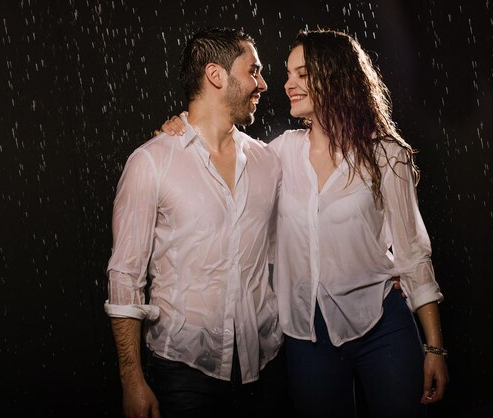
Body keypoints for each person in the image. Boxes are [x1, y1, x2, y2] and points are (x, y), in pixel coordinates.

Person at [161, 28, 449, 418]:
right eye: (287, 74)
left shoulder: (387, 155)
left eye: (301, 74)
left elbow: (414, 252)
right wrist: (179, 129)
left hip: (381, 324)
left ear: (334, 76)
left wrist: (433, 347)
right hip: (305, 336)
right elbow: (219, 145)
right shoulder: (278, 154)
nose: (286, 85)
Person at [104, 27, 289, 418]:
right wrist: (132, 380)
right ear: (215, 75)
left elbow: (293, 242)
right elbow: (125, 278)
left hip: (267, 366)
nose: (263, 84)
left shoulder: (268, 161)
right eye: (253, 71)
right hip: (183, 374)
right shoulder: (151, 162)